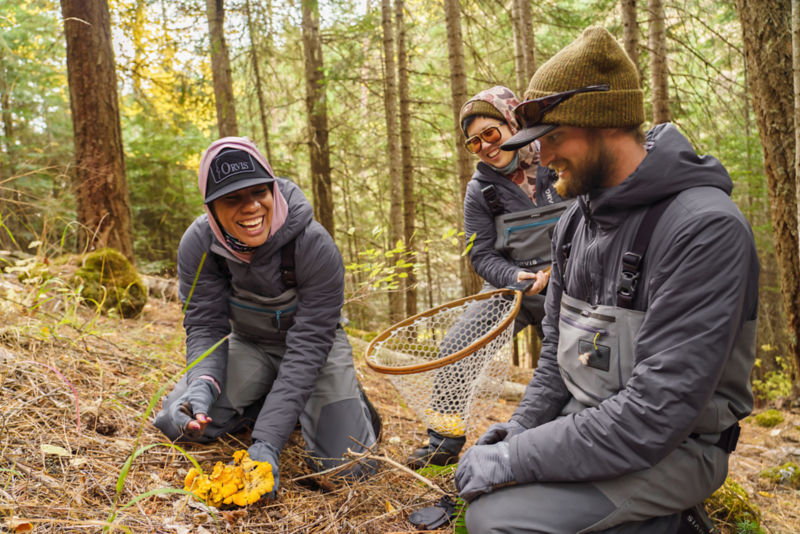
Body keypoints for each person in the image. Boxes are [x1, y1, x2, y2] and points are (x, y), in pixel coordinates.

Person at [454, 26, 758, 533]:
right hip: (588, 419)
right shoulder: (577, 219)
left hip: (671, 447)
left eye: (552, 139)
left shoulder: (704, 228)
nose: (543, 160)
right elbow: (555, 356)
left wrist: (517, 459)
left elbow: (653, 417)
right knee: (486, 492)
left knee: (495, 519)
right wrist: (520, 431)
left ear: (604, 125)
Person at [153, 137, 380, 499]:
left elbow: (308, 346)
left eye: (259, 192)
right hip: (251, 344)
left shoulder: (313, 245)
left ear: (273, 189)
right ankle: (267, 400)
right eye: (232, 199)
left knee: (350, 466)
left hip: (315, 353)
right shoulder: (199, 245)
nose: (251, 207)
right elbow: (205, 326)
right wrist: (201, 385)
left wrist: (267, 442)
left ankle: (346, 400)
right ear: (211, 207)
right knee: (178, 422)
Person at [407, 86, 562, 469]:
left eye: (491, 133)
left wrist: (560, 270)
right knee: (457, 347)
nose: (485, 147)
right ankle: (443, 442)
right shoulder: (480, 190)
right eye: (474, 142)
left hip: (570, 282)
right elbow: (481, 254)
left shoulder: (556, 159)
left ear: (513, 121)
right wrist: (513, 276)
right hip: (512, 287)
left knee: (579, 360)